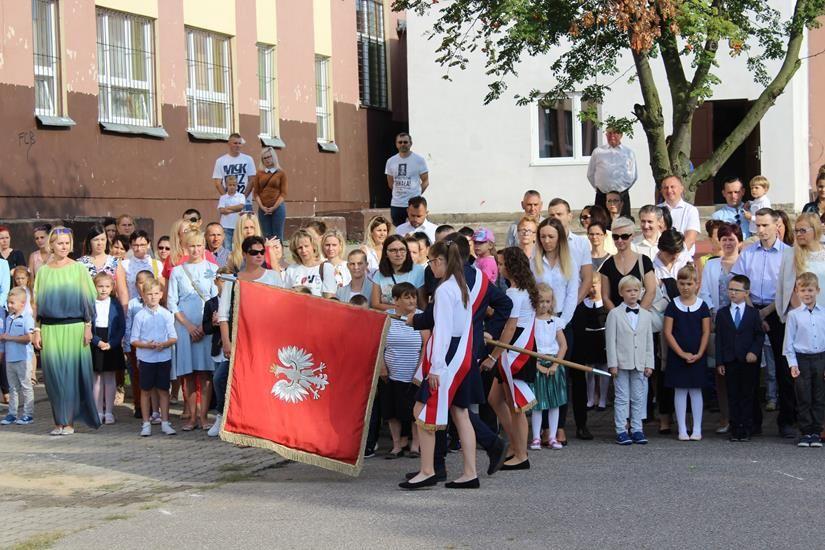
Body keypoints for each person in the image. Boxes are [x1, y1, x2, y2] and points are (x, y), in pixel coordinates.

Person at [399, 240, 477, 490]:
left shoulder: (445, 290)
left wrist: (436, 367)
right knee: (460, 413)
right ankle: (469, 472)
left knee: (423, 411)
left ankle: (427, 470)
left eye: (432, 261)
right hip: (459, 353)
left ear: (441, 261)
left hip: (446, 357)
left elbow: (442, 330)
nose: (430, 266)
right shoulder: (461, 285)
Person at [732, 208, 794, 438]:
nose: (760, 230)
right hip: (751, 310)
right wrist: (755, 314)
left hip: (778, 311)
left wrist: (768, 312)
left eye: (765, 225)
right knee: (749, 369)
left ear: (777, 226)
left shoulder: (788, 254)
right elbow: (740, 283)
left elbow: (788, 289)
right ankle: (752, 421)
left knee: (783, 368)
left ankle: (787, 420)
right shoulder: (748, 254)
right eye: (757, 225)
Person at [31, 227, 99, 435]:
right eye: (60, 243)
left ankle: (68, 422)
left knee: (71, 376)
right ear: (51, 244)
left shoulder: (78, 268)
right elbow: (36, 303)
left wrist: (88, 326)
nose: (64, 246)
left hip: (74, 328)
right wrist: (36, 329)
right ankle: (58, 421)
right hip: (50, 329)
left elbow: (88, 298)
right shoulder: (43, 271)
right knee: (53, 377)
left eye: (67, 243)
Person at [487, 247, 538, 471]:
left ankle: (521, 454)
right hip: (515, 349)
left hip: (515, 352)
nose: (498, 268)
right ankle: (513, 444)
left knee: (516, 405)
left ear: (511, 266)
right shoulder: (522, 290)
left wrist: (493, 356)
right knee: (495, 399)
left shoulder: (515, 294)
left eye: (501, 264)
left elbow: (509, 328)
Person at [166, 231, 218, 431]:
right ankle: (191, 416)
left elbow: (215, 301)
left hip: (206, 328)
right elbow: (172, 302)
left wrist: (205, 327)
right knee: (188, 374)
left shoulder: (213, 269)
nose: (195, 250)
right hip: (184, 327)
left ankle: (204, 417)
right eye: (192, 246)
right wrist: (187, 326)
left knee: (205, 373)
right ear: (185, 248)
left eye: (199, 245)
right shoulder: (178, 272)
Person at [698, 223, 743, 435]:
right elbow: (705, 292)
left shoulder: (745, 263)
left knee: (740, 372)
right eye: (724, 238)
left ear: (739, 241)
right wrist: (714, 313)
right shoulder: (711, 265)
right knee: (721, 372)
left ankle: (742, 419)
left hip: (741, 325)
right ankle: (725, 417)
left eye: (731, 238)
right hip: (718, 323)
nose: (727, 242)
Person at [663, 264, 711, 441]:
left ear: (696, 284)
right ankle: (682, 429)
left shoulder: (702, 306)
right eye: (682, 283)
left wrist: (699, 352)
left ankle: (697, 428)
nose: (685, 287)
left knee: (696, 390)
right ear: (677, 283)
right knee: (680, 391)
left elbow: (706, 331)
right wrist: (681, 353)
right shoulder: (673, 306)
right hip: (678, 356)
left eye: (689, 283)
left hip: (698, 355)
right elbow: (668, 332)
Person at [605, 275, 654, 445]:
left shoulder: (646, 315)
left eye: (636, 290)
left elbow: (649, 342)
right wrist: (612, 364)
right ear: (621, 293)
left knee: (639, 397)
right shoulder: (614, 314)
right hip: (621, 362)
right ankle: (621, 429)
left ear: (641, 292)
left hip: (639, 362)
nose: (633, 294)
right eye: (628, 291)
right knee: (622, 397)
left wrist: (649, 364)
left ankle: (637, 428)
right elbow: (610, 341)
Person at [715, 274, 763, 442]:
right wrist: (720, 361)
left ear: (746, 293)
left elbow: (759, 336)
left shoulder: (753, 314)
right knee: (733, 394)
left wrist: (754, 352)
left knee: (747, 394)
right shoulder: (722, 314)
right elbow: (719, 339)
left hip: (748, 361)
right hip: (730, 360)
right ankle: (735, 428)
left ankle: (747, 427)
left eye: (736, 290)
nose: (732, 293)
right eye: (730, 289)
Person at [381, 282, 426, 458]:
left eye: (413, 296)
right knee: (392, 412)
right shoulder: (387, 317)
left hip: (414, 374)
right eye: (406, 297)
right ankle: (397, 445)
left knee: (415, 412)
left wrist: (419, 371)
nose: (412, 300)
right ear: (396, 300)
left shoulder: (422, 317)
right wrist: (382, 368)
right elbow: (379, 345)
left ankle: (415, 445)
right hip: (391, 374)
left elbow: (426, 346)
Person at [130, 278, 177, 437]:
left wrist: (163, 344)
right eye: (149, 294)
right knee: (146, 391)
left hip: (163, 357)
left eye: (156, 293)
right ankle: (146, 423)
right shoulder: (140, 316)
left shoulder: (166, 314)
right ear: (143, 295)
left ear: (161, 295)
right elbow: (133, 340)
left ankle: (165, 422)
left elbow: (173, 337)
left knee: (164, 390)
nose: (153, 297)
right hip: (146, 359)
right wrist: (146, 345)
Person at [783, 272, 825, 447]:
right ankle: (805, 432)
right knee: (803, 396)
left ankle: (816, 431)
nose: (807, 294)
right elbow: (788, 342)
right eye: (803, 290)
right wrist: (792, 363)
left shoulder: (824, 313)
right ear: (797, 292)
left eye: (810, 290)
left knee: (819, 396)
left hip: (820, 358)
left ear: (818, 290)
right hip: (801, 360)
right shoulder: (794, 315)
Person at [528, 283, 568, 450]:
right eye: (540, 301)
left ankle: (552, 436)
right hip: (537, 363)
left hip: (554, 365)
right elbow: (528, 347)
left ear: (552, 302)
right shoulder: (531, 321)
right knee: (538, 403)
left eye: (547, 301)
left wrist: (555, 365)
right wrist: (537, 365)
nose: (544, 305)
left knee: (554, 402)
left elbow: (563, 345)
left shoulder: (556, 322)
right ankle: (536, 437)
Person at [89, 272, 126, 425]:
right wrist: (97, 341)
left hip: (112, 342)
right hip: (96, 340)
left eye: (107, 287)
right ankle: (98, 411)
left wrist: (113, 343)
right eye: (100, 286)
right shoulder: (90, 303)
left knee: (110, 377)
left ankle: (109, 412)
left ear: (112, 288)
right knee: (96, 378)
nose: (103, 290)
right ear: (94, 287)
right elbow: (87, 325)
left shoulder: (115, 303)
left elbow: (121, 326)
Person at [599, 218, 657, 311]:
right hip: (617, 319)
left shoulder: (644, 261)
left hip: (641, 317)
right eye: (615, 236)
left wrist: (638, 315)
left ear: (632, 236)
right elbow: (605, 297)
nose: (619, 240)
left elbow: (651, 291)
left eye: (624, 236)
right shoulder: (607, 264)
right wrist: (618, 317)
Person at [203, 266, 233, 437]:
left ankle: (230, 417)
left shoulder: (236, 300)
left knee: (224, 380)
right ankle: (220, 416)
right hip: (218, 349)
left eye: (228, 280)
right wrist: (215, 324)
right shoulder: (211, 303)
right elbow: (205, 327)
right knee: (218, 381)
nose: (224, 284)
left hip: (232, 349)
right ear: (216, 281)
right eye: (222, 280)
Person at [777, 213, 825, 316]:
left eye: (803, 230)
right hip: (801, 315)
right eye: (796, 231)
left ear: (815, 230)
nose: (798, 234)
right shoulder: (790, 254)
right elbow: (788, 289)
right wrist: (807, 315)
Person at [0, 288, 35, 426]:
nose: (9, 305)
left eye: (12, 303)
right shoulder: (8, 318)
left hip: (23, 358)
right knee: (12, 388)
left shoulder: (27, 318)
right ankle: (12, 414)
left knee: (26, 387)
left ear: (22, 303)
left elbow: (29, 338)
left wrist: (9, 337)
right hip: (10, 359)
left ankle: (28, 414)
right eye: (8, 302)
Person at [587, 127, 637, 217]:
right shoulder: (598, 152)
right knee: (601, 224)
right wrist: (600, 188)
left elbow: (633, 176)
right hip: (602, 195)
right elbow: (590, 174)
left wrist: (623, 189)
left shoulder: (628, 153)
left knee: (623, 225)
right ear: (606, 135)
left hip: (621, 196)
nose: (612, 136)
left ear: (621, 135)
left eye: (615, 133)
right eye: (609, 133)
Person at [370, 235, 425, 310]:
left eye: (402, 250)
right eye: (393, 250)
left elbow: (422, 304)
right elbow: (375, 304)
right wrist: (399, 309)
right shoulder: (379, 274)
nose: (398, 254)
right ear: (386, 253)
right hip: (390, 319)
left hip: (412, 318)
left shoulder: (418, 270)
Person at [386, 132, 429, 227]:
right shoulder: (390, 161)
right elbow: (390, 183)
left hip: (414, 204)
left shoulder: (419, 160)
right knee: (399, 230)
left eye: (405, 142)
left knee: (417, 229)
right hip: (397, 204)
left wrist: (416, 194)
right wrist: (400, 193)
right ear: (396, 144)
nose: (402, 144)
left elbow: (425, 181)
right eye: (400, 142)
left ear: (410, 143)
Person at [116, 230, 164, 312]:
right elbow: (122, 290)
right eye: (135, 245)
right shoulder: (124, 265)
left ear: (148, 245)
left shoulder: (156, 264)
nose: (138, 248)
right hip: (131, 309)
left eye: (142, 245)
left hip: (152, 309)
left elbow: (161, 288)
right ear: (131, 245)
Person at [285, 229, 337, 297]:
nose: (304, 250)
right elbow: (286, 294)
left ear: (313, 247)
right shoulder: (291, 269)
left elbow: (330, 297)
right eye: (300, 248)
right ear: (295, 251)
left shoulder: (326, 267)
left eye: (306, 246)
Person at [658, 175, 700, 256]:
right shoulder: (656, 210)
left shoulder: (690, 210)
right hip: (661, 258)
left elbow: (690, 238)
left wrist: (678, 256)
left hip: (683, 259)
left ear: (681, 189)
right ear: (662, 191)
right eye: (665, 188)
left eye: (672, 187)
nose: (669, 190)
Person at [254, 146, 288, 240]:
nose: (267, 160)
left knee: (277, 236)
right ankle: (268, 255)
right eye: (265, 158)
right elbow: (256, 193)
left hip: (278, 208)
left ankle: (279, 255)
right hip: (263, 209)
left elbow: (283, 193)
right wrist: (262, 207)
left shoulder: (281, 173)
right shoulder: (259, 173)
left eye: (269, 157)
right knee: (266, 237)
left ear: (274, 157)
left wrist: (274, 207)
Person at [212, 133, 256, 204]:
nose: (238, 145)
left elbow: (252, 181)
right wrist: (226, 198)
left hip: (245, 201)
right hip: (228, 202)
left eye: (239, 143)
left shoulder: (248, 159)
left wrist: (243, 198)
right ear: (229, 144)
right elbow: (218, 183)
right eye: (235, 143)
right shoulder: (220, 161)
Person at [218, 175, 246, 245]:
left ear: (237, 185)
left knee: (239, 245)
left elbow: (240, 207)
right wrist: (235, 210)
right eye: (230, 185)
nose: (232, 187)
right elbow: (222, 210)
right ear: (226, 185)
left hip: (238, 224)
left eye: (234, 185)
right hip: (225, 225)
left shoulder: (241, 196)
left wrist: (227, 208)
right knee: (227, 247)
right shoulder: (223, 197)